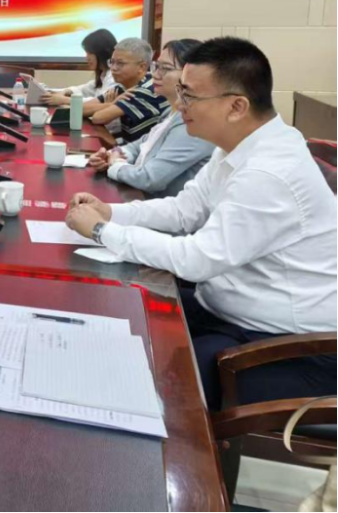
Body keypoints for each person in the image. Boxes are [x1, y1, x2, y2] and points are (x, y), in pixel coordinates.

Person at [64, 37, 338, 410]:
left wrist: (102, 231)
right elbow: (184, 211)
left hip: (287, 346)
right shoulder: (239, 146)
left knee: (158, 388)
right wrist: (111, 212)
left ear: (236, 106)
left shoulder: (270, 171)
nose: (179, 105)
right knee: (118, 316)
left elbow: (197, 259)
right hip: (229, 312)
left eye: (190, 96)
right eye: (180, 91)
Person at [88, 38, 214, 197]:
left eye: (165, 68)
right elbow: (139, 145)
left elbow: (149, 179)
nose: (155, 74)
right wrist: (113, 153)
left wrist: (115, 164)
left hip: (160, 206)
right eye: (156, 66)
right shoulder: (171, 112)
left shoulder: (193, 123)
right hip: (142, 197)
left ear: (192, 74)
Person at [86, 37, 169, 143]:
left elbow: (98, 118)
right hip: (132, 147)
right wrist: (112, 104)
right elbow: (82, 109)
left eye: (120, 63)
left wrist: (112, 104)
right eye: (112, 62)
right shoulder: (124, 86)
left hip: (144, 151)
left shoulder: (145, 91)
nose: (113, 68)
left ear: (142, 67)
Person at [42, 28, 117, 106]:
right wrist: (63, 92)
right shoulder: (104, 75)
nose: (87, 58)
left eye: (89, 53)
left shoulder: (114, 77)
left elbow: (98, 101)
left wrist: (64, 100)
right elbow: (84, 89)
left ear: (101, 53)